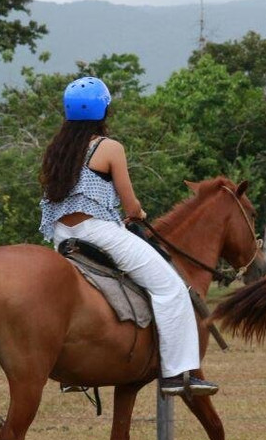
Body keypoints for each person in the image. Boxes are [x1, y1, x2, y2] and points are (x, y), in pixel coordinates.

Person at [38, 76, 217, 396]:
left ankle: (73, 372)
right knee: (171, 288)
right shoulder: (109, 148)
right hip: (99, 231)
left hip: (62, 235)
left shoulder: (56, 150)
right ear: (103, 111)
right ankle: (179, 374)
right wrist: (138, 214)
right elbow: (130, 203)